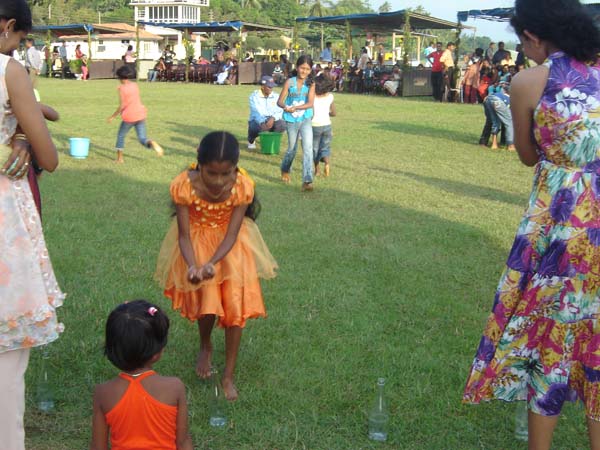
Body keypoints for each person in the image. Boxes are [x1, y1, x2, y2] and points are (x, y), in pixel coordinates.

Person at [463, 1, 600, 449]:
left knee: (549, 341)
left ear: (533, 37)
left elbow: (526, 154)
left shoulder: (528, 82)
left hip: (558, 227)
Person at [155, 131, 278, 401]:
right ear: (199, 164)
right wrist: (193, 266)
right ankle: (205, 345)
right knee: (207, 303)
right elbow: (184, 236)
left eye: (226, 174)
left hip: (231, 250)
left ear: (235, 168)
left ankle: (228, 375)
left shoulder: (242, 186)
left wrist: (213, 263)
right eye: (211, 173)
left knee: (235, 309)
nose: (219, 181)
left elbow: (232, 235)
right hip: (196, 244)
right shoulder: (184, 185)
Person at [0, 2, 64, 449]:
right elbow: (49, 159)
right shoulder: (9, 70)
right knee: (6, 357)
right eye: (20, 39)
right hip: (4, 217)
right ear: (8, 27)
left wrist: (21, 128)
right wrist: (24, 133)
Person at [90, 300, 193, 450]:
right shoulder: (174, 387)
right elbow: (182, 442)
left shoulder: (103, 393)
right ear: (156, 353)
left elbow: (98, 447)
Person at [107, 65, 164, 163]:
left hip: (129, 116)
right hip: (140, 114)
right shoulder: (134, 85)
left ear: (120, 77)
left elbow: (122, 105)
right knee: (142, 138)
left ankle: (120, 159)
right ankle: (151, 143)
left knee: (121, 136)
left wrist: (112, 116)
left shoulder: (122, 88)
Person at [277, 55, 316, 191]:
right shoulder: (290, 82)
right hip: (291, 119)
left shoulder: (311, 83)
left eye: (307, 69)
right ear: (297, 67)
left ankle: (307, 180)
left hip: (305, 118)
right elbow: (279, 101)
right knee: (292, 149)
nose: (304, 71)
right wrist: (286, 107)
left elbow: (310, 103)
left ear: (310, 70)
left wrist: (297, 107)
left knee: (308, 148)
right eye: (302, 68)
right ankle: (285, 169)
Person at [247, 75, 284, 150]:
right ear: (263, 86)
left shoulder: (276, 96)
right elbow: (256, 112)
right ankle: (251, 140)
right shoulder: (254, 96)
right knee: (255, 127)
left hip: (272, 119)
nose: (271, 89)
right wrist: (262, 122)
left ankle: (272, 141)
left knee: (282, 125)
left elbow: (280, 110)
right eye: (269, 87)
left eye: (272, 87)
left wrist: (273, 118)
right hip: (258, 120)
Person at [312, 74, 335, 177]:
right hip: (327, 125)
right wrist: (327, 113)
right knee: (325, 148)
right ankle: (327, 164)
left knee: (315, 149)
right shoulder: (330, 96)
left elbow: (311, 113)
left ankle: (317, 170)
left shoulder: (312, 97)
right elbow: (334, 113)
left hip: (314, 126)